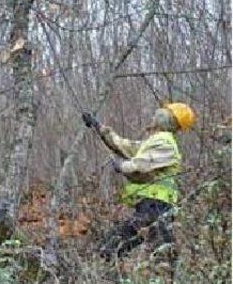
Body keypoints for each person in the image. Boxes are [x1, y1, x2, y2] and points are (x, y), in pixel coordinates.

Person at [82, 103, 195, 259]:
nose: (155, 116)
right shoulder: (155, 141)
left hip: (156, 206)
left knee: (116, 245)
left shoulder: (165, 142)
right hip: (154, 205)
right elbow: (124, 146)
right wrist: (99, 128)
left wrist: (122, 166)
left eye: (162, 113)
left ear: (168, 119)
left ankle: (108, 269)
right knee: (161, 252)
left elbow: (141, 165)